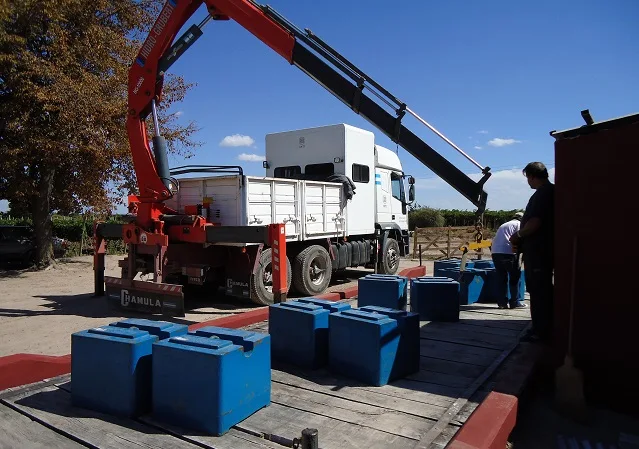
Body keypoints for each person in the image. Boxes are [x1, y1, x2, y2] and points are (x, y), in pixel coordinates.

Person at [509, 162, 555, 343]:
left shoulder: (543, 194)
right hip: (540, 251)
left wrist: (518, 235)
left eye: (528, 177)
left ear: (533, 176)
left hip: (538, 253)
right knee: (540, 291)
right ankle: (542, 328)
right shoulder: (549, 192)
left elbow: (535, 222)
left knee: (538, 291)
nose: (528, 181)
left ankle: (541, 331)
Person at [491, 212, 527, 309]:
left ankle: (502, 303)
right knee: (514, 278)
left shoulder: (505, 225)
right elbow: (518, 238)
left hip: (495, 252)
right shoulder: (519, 224)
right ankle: (515, 302)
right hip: (508, 252)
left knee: (501, 278)